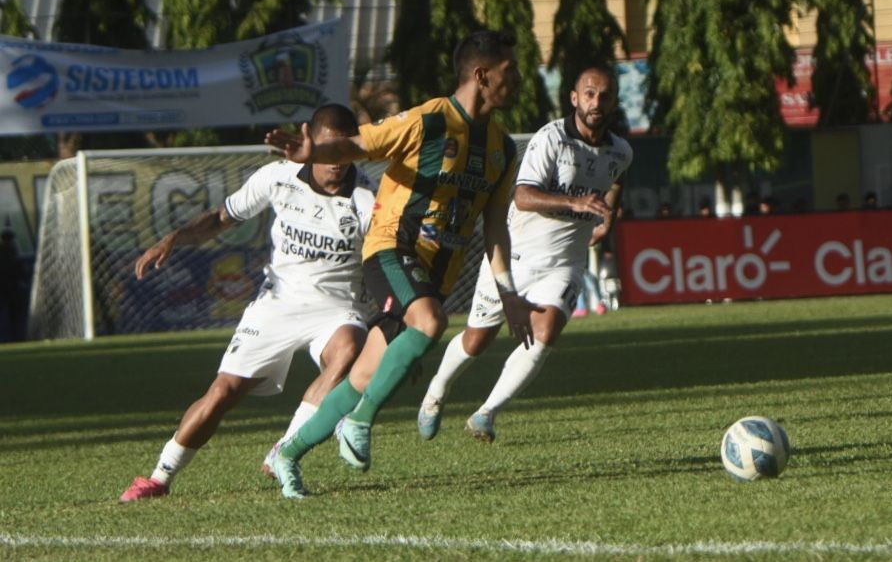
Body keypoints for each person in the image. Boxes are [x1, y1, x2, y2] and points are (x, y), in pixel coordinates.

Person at [264, 30, 539, 498]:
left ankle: (289, 454)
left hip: (433, 274)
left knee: (364, 375)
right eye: (509, 72)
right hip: (391, 248)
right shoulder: (428, 120)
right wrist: (314, 153)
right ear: (481, 74)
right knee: (431, 321)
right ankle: (360, 422)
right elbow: (357, 145)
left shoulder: (504, 147)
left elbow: (496, 226)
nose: (517, 80)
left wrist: (509, 295)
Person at [119, 104, 378, 502]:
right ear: (310, 138)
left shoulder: (366, 199)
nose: (336, 162)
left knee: (348, 350)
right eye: (329, 149)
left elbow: (385, 258)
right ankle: (159, 476)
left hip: (339, 306)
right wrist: (175, 237)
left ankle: (285, 449)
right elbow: (223, 218)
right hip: (277, 302)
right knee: (223, 392)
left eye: (345, 151)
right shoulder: (277, 177)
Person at [417, 63, 633, 444]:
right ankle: (437, 391)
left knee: (546, 331)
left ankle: (486, 414)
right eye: (589, 93)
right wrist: (576, 202)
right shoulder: (551, 139)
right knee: (476, 342)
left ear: (614, 101)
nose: (597, 101)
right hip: (514, 257)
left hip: (565, 263)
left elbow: (615, 179)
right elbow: (523, 195)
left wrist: (608, 217)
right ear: (574, 98)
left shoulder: (621, 151)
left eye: (605, 95)